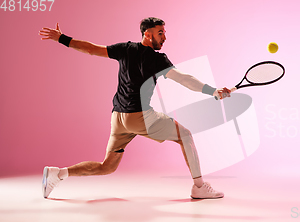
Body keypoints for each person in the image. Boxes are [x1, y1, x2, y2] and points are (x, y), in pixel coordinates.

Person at [38, 17, 231, 199]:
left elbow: (90, 49)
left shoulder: (125, 49)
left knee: (107, 166)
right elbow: (183, 79)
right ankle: (199, 188)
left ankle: (58, 173)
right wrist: (212, 91)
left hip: (118, 118)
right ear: (148, 34)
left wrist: (61, 38)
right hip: (140, 117)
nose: (165, 37)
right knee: (186, 136)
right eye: (160, 33)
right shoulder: (158, 60)